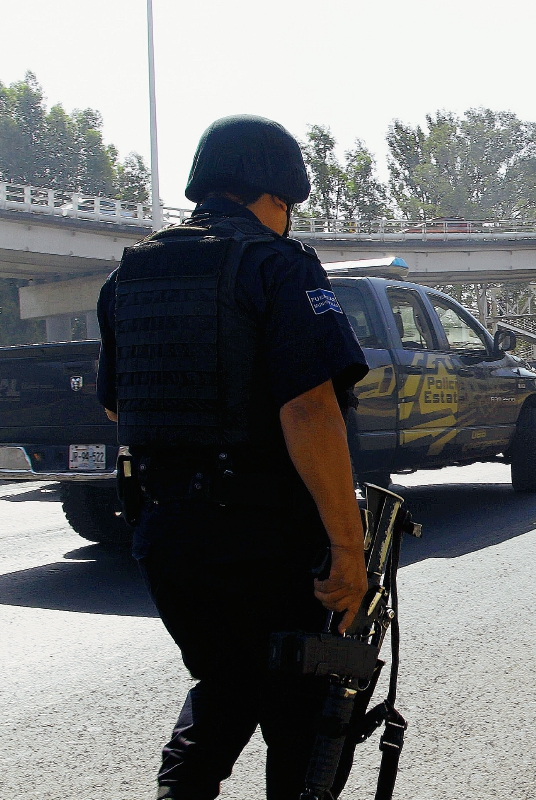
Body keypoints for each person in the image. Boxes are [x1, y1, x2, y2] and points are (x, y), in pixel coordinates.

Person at [96, 115, 370, 798]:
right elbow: (310, 410)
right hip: (265, 537)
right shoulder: (278, 263)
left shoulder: (129, 274)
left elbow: (116, 408)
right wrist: (347, 547)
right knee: (302, 713)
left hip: (167, 540)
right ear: (278, 194)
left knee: (227, 683)